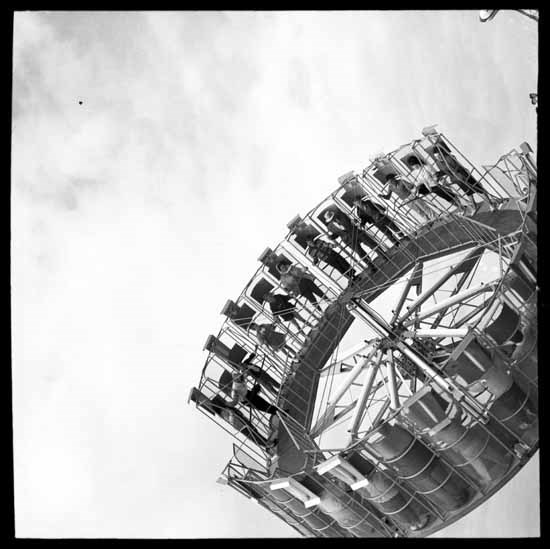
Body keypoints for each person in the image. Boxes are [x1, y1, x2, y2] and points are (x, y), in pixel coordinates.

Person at [192, 389, 274, 449]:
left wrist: (234, 401)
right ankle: (268, 445)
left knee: (254, 431)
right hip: (241, 426)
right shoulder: (222, 412)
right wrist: (231, 413)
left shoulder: (225, 407)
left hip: (242, 420)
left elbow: (233, 404)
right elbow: (231, 421)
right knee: (254, 436)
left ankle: (268, 443)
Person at [430, 141, 501, 210]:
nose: (438, 157)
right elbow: (444, 171)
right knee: (468, 193)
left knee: (479, 189)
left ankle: (491, 204)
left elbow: (458, 166)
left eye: (438, 155)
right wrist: (438, 175)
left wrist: (456, 171)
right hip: (457, 180)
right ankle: (474, 206)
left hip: (464, 175)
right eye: (436, 156)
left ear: (441, 153)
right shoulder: (439, 163)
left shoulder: (449, 157)